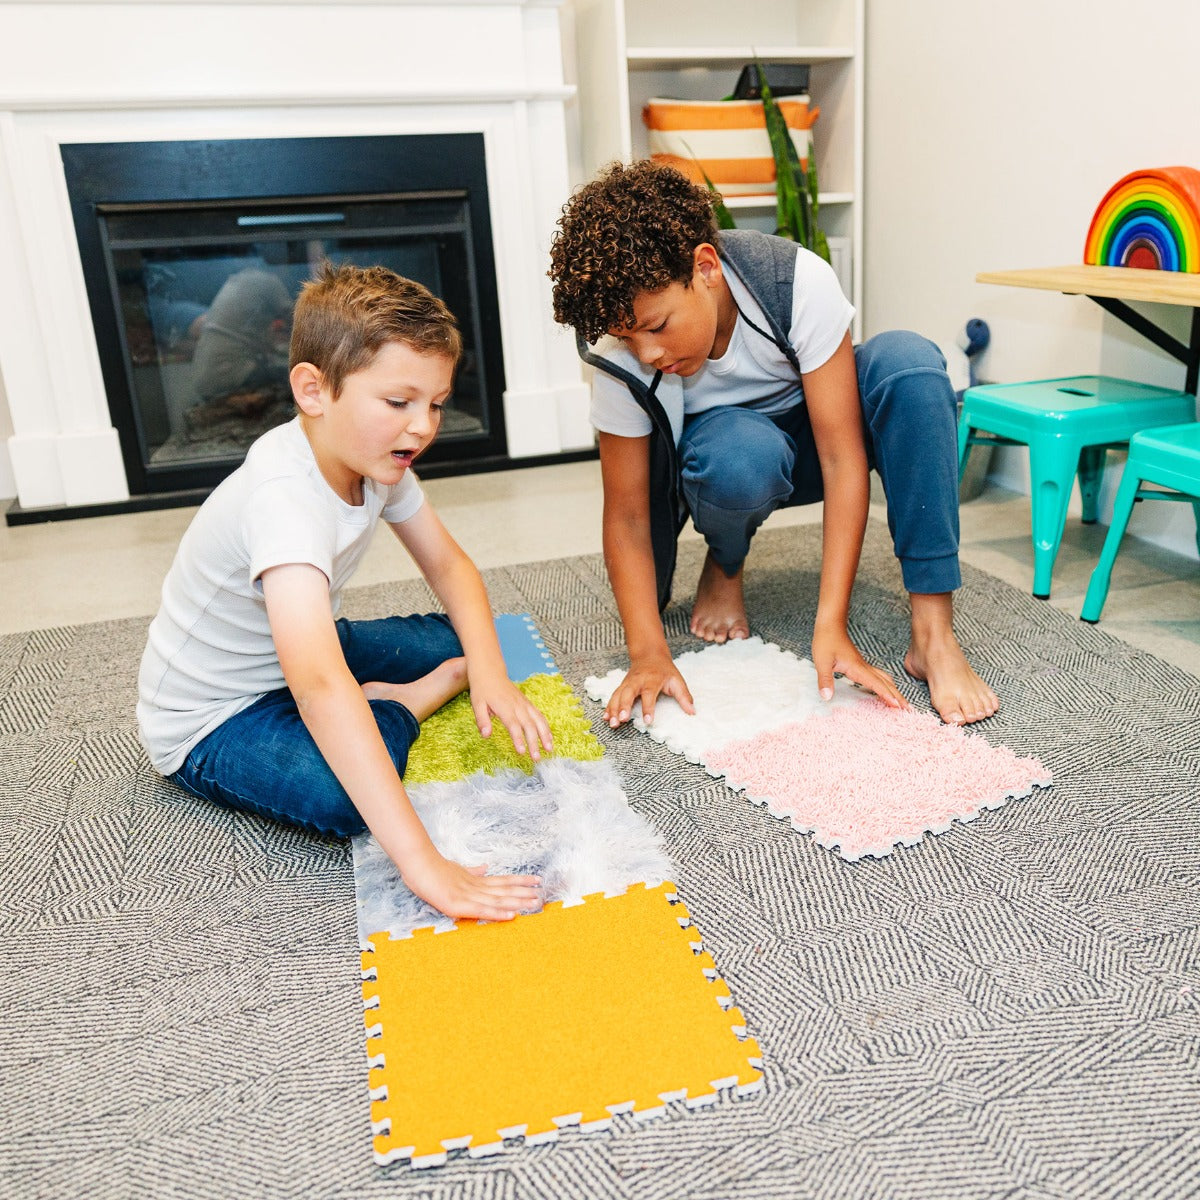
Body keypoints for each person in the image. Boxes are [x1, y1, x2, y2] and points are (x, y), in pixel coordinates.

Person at [137, 262, 552, 921]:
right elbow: (320, 688)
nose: (422, 427)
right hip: (213, 715)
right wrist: (427, 868)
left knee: (473, 636)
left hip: (307, 646)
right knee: (345, 793)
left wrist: (495, 678)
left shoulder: (378, 460)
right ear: (314, 390)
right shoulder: (283, 499)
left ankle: (428, 680)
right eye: (398, 402)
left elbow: (451, 568)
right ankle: (411, 700)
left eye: (436, 405)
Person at [548, 160, 999, 730]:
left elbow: (841, 459)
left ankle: (933, 635)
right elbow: (629, 515)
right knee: (737, 457)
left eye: (657, 326)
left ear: (705, 267)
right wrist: (648, 653)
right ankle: (726, 559)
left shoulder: (794, 279)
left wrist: (830, 625)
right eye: (626, 338)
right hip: (729, 458)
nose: (648, 355)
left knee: (910, 364)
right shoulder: (622, 362)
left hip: (820, 439)